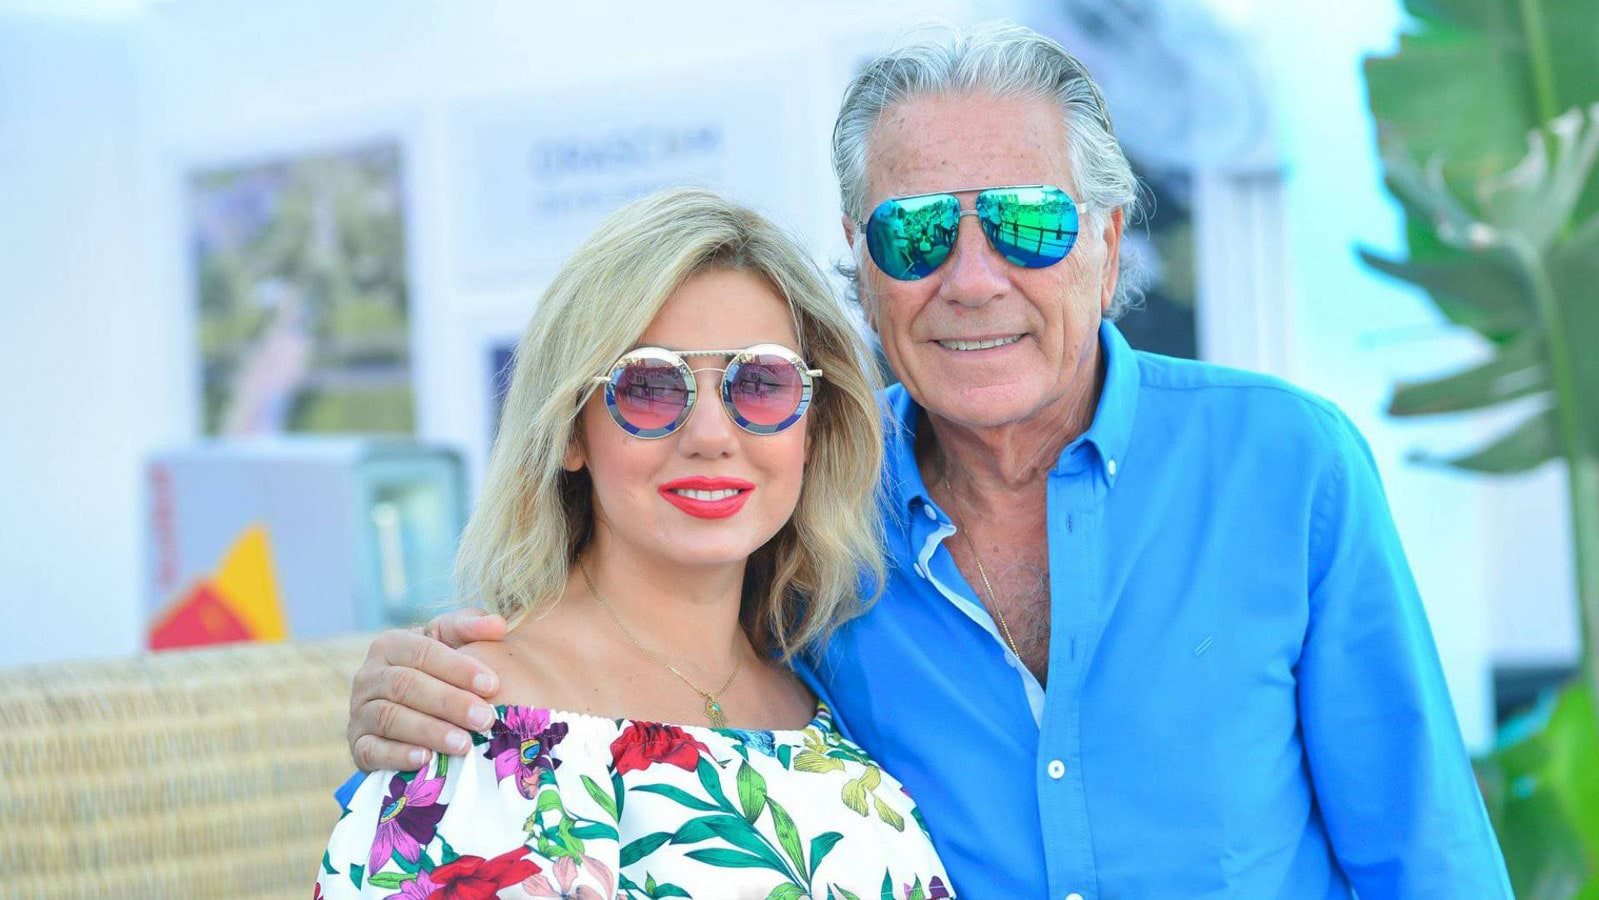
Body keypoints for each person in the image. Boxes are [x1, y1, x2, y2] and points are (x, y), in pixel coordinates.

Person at [342, 23, 1512, 899]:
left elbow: (1427, 858)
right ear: (862, 269)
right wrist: (411, 689)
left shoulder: (1288, 466)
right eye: (916, 233)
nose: (972, 278)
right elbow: (634, 662)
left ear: (1108, 246)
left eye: (1029, 224)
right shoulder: (807, 517)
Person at [317, 188, 953, 898]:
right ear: (570, 431)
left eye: (760, 382)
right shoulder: (473, 721)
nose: (710, 435)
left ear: (813, 426)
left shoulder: (822, 692)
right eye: (650, 386)